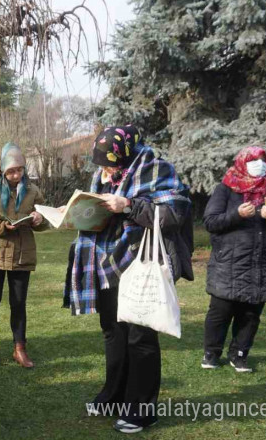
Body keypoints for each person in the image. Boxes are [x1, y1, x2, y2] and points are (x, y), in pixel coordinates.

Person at [65, 126, 193, 434]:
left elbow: (176, 213)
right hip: (107, 265)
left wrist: (129, 205)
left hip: (141, 263)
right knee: (113, 332)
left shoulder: (157, 169)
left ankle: (142, 409)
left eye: (108, 163)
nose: (104, 170)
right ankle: (113, 396)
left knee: (141, 337)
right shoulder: (105, 176)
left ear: (125, 155)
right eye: (101, 165)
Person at [201, 146, 266, 372]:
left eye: (263, 160)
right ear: (242, 162)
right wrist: (237, 215)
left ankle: (240, 354)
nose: (259, 164)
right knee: (221, 310)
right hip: (229, 263)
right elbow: (211, 221)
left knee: (251, 313)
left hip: (262, 263)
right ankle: (211, 354)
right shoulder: (225, 188)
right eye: (254, 160)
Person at [0, 143, 49, 369]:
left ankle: (19, 349)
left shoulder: (33, 190)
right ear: (3, 170)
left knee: (18, 303)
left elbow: (45, 217)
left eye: (20, 170)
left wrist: (39, 219)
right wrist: (2, 226)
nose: (16, 175)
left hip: (21, 253)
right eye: (11, 171)